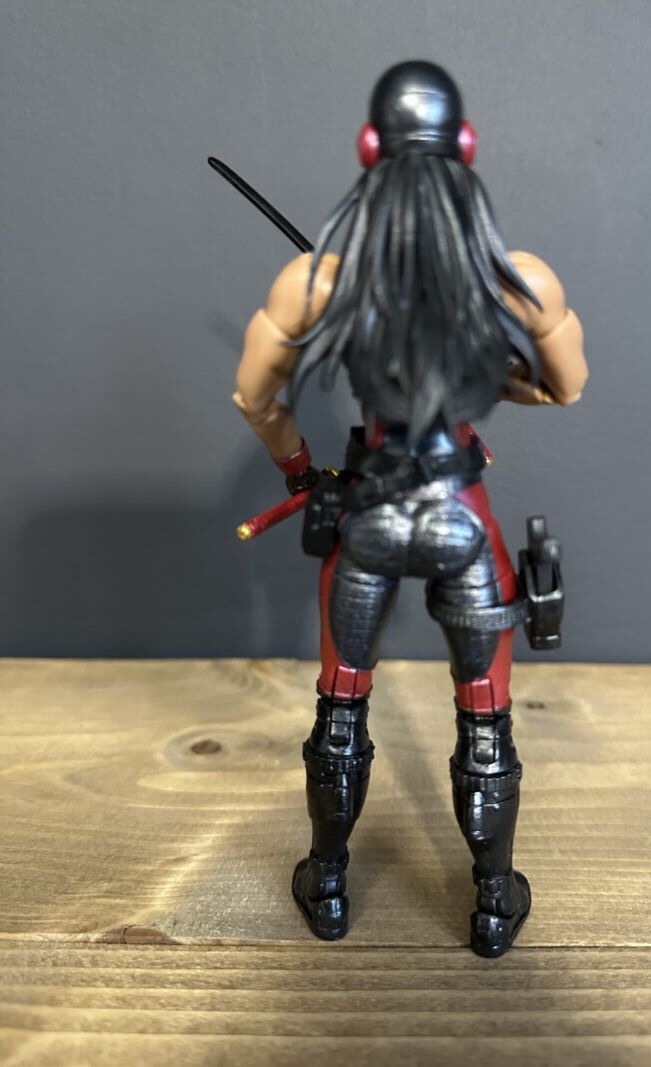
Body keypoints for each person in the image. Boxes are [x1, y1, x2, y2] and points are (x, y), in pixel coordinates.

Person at [232, 60, 588, 957]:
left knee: (341, 706)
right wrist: (484, 379)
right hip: (463, 518)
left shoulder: (319, 282)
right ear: (465, 145)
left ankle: (329, 883)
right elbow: (565, 386)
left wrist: (300, 469)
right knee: (485, 713)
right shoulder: (519, 281)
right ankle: (495, 900)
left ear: (369, 147)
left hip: (372, 516)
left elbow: (255, 399)